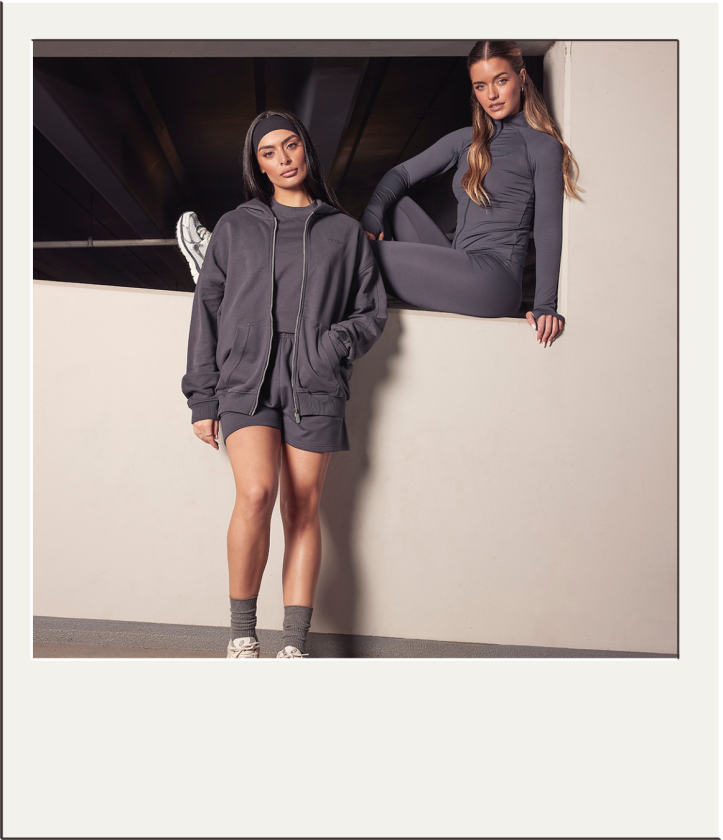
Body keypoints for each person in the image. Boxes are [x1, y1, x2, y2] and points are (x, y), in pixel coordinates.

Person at [180, 109, 387, 659]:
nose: (283, 159)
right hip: (246, 377)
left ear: (305, 150)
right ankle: (241, 635)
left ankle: (293, 646)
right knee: (255, 494)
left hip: (314, 379)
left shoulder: (344, 232)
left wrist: (330, 345)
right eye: (268, 153)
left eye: (290, 146)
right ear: (259, 166)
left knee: (302, 508)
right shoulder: (236, 226)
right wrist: (202, 397)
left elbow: (371, 312)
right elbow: (207, 310)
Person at [358, 39, 582, 348]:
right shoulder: (467, 140)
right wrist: (371, 217)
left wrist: (545, 304)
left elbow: (547, 228)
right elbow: (401, 174)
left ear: (521, 77)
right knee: (394, 206)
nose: (491, 95)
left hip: (494, 281)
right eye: (480, 86)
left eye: (500, 81)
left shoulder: (542, 146)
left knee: (352, 251)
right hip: (461, 264)